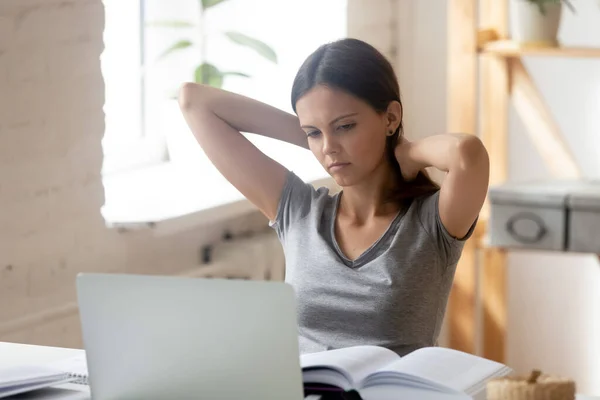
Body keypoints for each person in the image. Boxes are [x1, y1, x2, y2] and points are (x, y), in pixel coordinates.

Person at [178, 38, 489, 356]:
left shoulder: (431, 223)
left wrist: (404, 151)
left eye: (346, 126)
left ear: (391, 118)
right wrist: (321, 134)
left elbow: (466, 153)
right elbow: (194, 100)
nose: (328, 148)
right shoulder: (298, 211)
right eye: (312, 133)